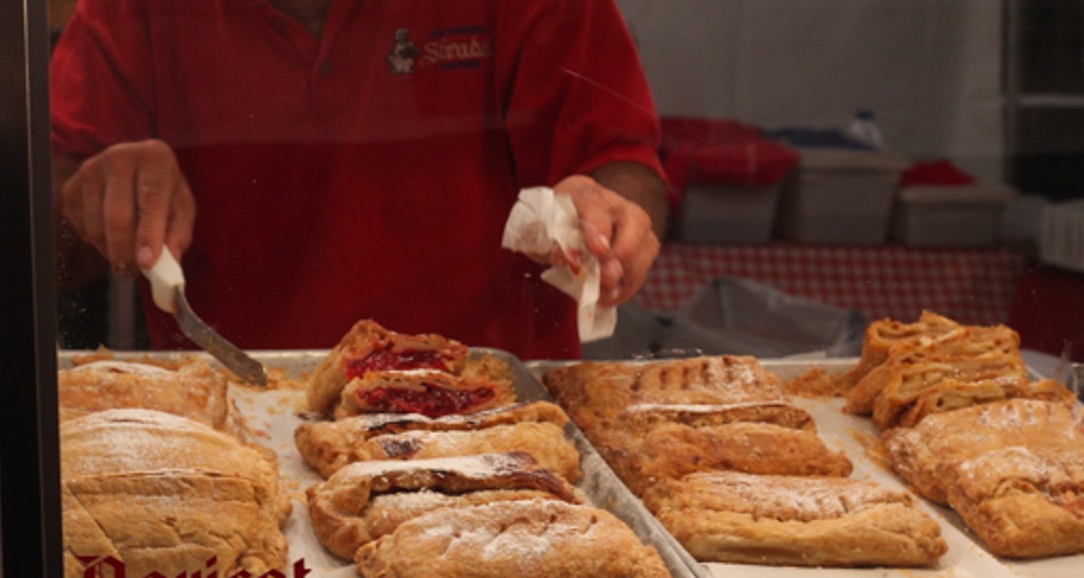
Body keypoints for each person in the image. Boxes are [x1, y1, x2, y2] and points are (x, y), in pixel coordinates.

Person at [49, 0, 669, 359]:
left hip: (497, 427)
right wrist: (95, 195)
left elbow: (623, 162)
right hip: (236, 426)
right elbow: (46, 234)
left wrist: (609, 211)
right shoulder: (131, 10)